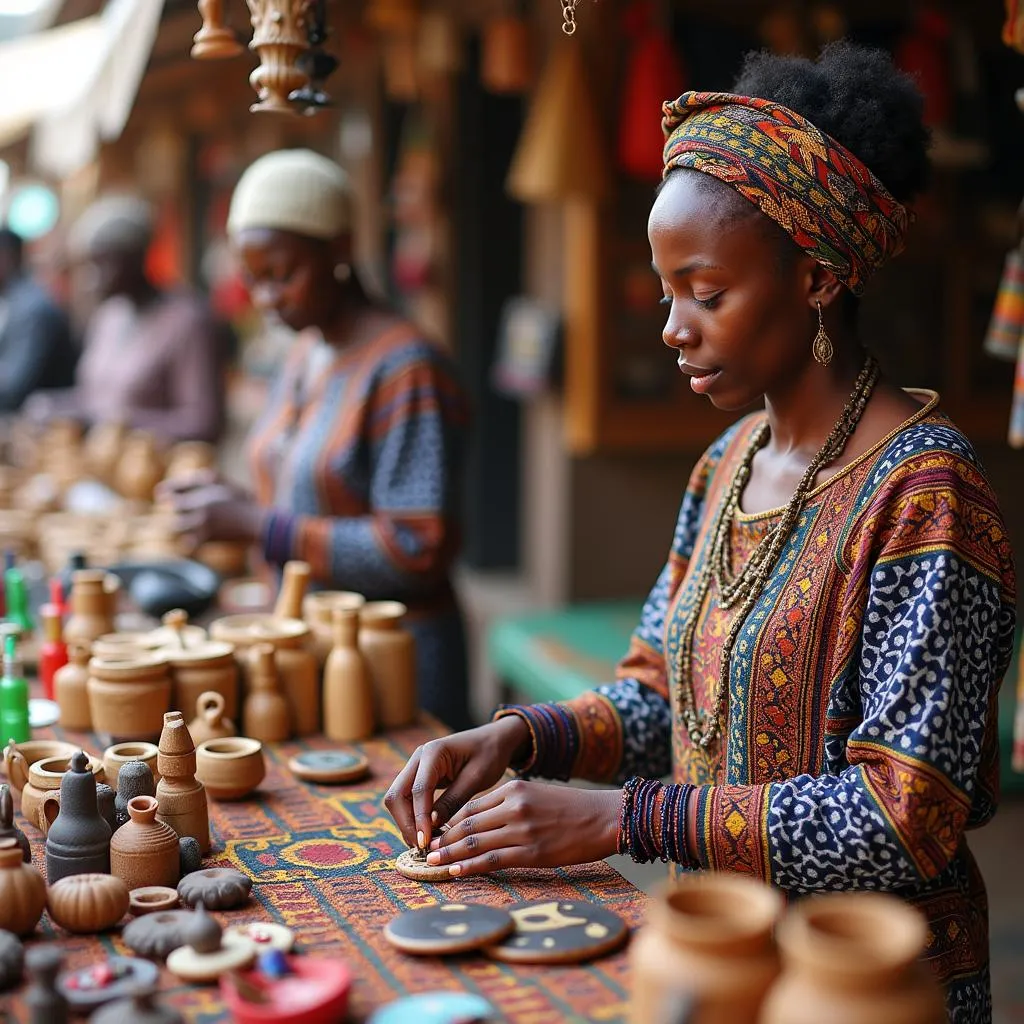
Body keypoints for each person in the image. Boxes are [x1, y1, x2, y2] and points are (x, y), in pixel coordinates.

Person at [384, 42, 1015, 1024]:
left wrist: (622, 818)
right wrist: (520, 735)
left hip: (860, 987)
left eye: (706, 291)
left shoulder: (927, 493)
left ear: (814, 276)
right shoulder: (725, 466)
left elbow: (905, 816)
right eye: (666, 289)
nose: (674, 324)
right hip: (711, 954)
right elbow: (658, 694)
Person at [161, 149, 473, 730]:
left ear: (340, 250)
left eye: (282, 274)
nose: (267, 298)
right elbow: (308, 491)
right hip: (313, 655)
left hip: (395, 665)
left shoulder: (407, 371)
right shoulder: (305, 350)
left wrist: (260, 525)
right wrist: (231, 502)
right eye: (253, 280)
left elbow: (417, 549)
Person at [24, 195, 225, 444]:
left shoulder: (187, 321)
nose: (92, 278)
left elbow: (203, 423)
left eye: (101, 264)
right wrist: (53, 405)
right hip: (101, 465)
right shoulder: (109, 317)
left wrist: (113, 422)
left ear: (134, 258)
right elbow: (95, 399)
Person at [0, 228, 77, 412]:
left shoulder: (33, 308)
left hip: (42, 423)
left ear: (6, 257)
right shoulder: (12, 301)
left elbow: (14, 386)